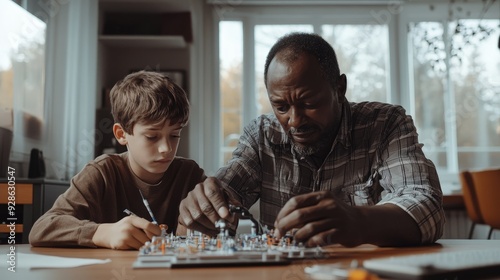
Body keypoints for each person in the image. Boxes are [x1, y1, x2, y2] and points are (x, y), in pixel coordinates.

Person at [178, 32, 445, 248]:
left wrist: (359, 222)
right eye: (281, 107)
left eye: (309, 103)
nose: (294, 121)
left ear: (339, 89)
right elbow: (225, 192)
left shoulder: (386, 124)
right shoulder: (261, 136)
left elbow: (427, 207)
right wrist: (205, 206)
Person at [29, 71, 206, 249]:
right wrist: (101, 233)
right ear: (122, 134)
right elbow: (41, 229)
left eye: (175, 135)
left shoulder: (190, 175)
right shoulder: (101, 173)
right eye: (152, 136)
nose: (166, 148)